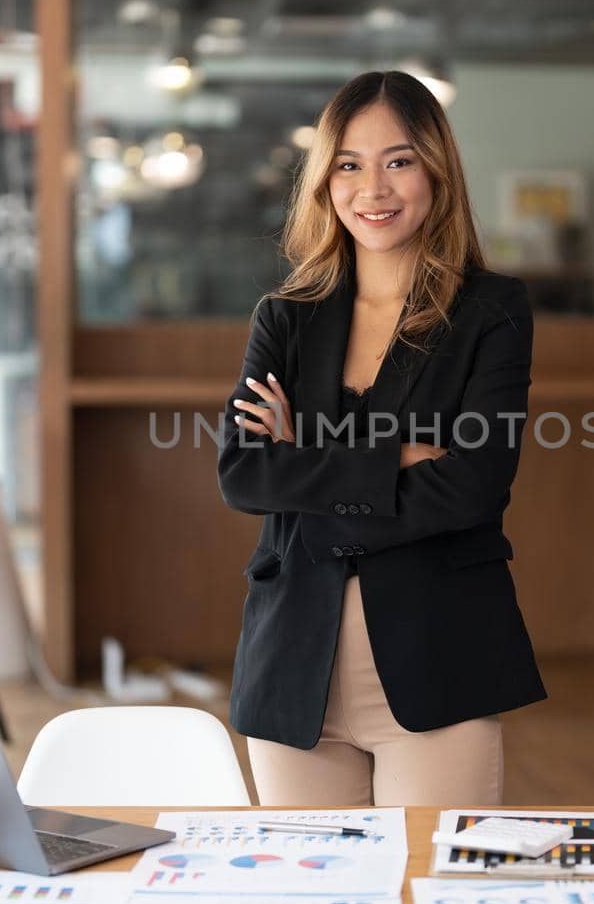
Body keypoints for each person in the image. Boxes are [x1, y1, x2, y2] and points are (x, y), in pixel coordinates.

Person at [217, 70, 546, 806]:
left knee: (431, 900)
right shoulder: (286, 317)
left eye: (398, 160)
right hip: (293, 664)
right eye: (349, 164)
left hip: (439, 658)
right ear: (325, 180)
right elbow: (243, 474)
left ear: (435, 169)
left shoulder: (492, 312)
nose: (375, 188)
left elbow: (474, 485)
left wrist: (303, 456)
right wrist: (397, 456)